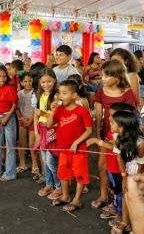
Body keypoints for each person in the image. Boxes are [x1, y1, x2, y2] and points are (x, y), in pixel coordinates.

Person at [88, 110, 144, 233]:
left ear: (121, 127)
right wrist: (124, 176)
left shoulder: (141, 144)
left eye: (112, 122)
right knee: (126, 192)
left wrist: (134, 183)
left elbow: (141, 167)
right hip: (130, 162)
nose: (109, 123)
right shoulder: (118, 136)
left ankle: (139, 223)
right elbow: (119, 156)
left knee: (135, 193)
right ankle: (126, 222)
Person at [92, 60, 138, 209]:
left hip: (121, 136)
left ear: (117, 78)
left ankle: (119, 199)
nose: (102, 79)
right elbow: (99, 114)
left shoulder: (127, 93)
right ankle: (104, 195)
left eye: (106, 76)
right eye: (102, 75)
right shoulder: (100, 91)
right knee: (102, 165)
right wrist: (97, 132)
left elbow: (130, 117)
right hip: (106, 133)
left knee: (120, 168)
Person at [48, 80, 93, 211]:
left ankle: (77, 199)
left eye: (64, 93)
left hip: (79, 149)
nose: (61, 96)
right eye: (59, 93)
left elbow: (89, 130)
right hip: (63, 149)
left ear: (74, 95)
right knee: (63, 173)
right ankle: (66, 196)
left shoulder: (81, 111)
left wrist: (76, 142)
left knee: (79, 173)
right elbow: (50, 124)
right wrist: (52, 111)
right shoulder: (59, 109)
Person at [34, 68, 61, 198]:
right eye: (43, 82)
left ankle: (59, 186)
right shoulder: (40, 95)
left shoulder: (57, 96)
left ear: (54, 80)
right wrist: (36, 133)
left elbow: (57, 116)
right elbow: (36, 115)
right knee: (45, 161)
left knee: (51, 161)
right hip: (41, 129)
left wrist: (43, 113)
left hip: (52, 130)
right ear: (39, 82)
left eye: (49, 81)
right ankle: (49, 185)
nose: (46, 84)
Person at [16, 72, 37, 174]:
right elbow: (17, 108)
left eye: (30, 81)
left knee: (31, 144)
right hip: (22, 120)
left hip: (33, 120)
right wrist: (22, 118)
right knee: (21, 143)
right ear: (21, 82)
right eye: (25, 81)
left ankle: (34, 164)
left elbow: (36, 108)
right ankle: (22, 163)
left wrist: (31, 119)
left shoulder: (35, 92)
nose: (28, 83)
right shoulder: (19, 94)